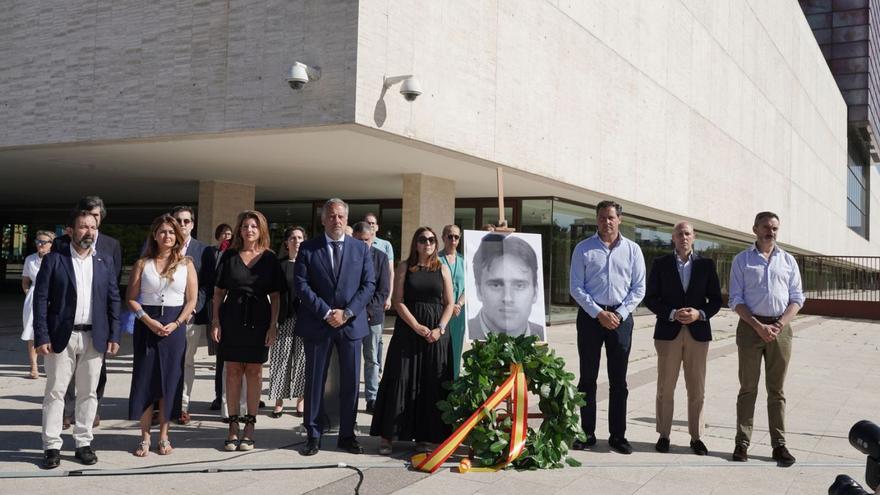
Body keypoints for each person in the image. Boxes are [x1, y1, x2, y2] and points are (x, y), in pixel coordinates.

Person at [33, 209, 121, 469]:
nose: (89, 232)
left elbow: (113, 299)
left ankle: (83, 442)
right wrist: (42, 335)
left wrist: (115, 334)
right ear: (70, 230)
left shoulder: (104, 261)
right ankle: (51, 446)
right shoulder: (55, 260)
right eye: (83, 227)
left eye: (93, 227)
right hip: (61, 336)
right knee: (55, 392)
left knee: (88, 393)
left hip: (95, 337)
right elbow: (40, 300)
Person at [294, 198, 375, 456]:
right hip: (318, 324)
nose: (336, 220)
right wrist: (327, 312)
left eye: (340, 216)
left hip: (351, 326)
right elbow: (301, 285)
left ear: (347, 219)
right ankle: (313, 434)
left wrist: (347, 312)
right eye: (331, 216)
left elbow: (369, 285)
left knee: (351, 383)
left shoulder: (360, 249)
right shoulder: (308, 248)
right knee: (315, 381)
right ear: (322, 219)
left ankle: (347, 435)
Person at [569, 200, 645, 455]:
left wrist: (619, 314)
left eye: (611, 217)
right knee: (587, 379)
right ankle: (586, 433)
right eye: (602, 217)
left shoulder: (633, 250)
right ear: (597, 219)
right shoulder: (583, 248)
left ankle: (617, 436)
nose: (606, 221)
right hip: (591, 318)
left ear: (619, 219)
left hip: (621, 319)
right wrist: (599, 313)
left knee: (619, 381)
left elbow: (639, 288)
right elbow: (576, 287)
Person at [370, 226, 454, 455]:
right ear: (415, 244)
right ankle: (389, 435)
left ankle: (426, 435)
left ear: (436, 244)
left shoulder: (443, 269)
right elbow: (398, 301)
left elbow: (449, 303)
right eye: (422, 239)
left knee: (430, 383)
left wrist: (440, 328)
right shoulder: (405, 267)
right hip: (409, 331)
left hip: (435, 335)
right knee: (401, 378)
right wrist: (416, 326)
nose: (427, 243)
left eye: (431, 239)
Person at [729, 211, 804, 467]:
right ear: (755, 229)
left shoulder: (788, 261)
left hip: (780, 329)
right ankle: (742, 443)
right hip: (750, 328)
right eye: (765, 227)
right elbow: (735, 300)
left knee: (777, 391)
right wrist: (758, 325)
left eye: (774, 228)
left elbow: (797, 298)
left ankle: (779, 445)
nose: (770, 232)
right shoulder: (741, 260)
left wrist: (779, 324)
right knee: (747, 388)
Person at [643, 222, 722, 456]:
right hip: (668, 332)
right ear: (673, 238)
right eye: (679, 234)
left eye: (687, 233)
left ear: (694, 237)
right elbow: (651, 297)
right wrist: (671, 313)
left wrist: (700, 314)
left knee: (696, 389)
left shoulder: (706, 265)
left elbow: (716, 300)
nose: (683, 237)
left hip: (698, 333)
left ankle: (696, 437)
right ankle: (664, 435)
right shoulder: (660, 264)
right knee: (665, 387)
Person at [126, 215, 198, 456]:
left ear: (177, 236)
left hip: (174, 328)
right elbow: (132, 299)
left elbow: (192, 300)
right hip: (147, 325)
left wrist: (177, 323)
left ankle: (164, 436)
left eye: (171, 232)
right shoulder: (142, 263)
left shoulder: (186, 264)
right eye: (162, 232)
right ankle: (145, 437)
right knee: (146, 380)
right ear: (155, 235)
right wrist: (147, 319)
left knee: (169, 381)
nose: (167, 236)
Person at [211, 210, 282, 451]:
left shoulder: (270, 258)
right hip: (232, 318)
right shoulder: (229, 256)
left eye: (253, 226)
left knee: (254, 372)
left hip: (259, 318)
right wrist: (216, 321)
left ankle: (250, 426)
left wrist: (273, 325)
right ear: (239, 230)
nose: (249, 230)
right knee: (232, 371)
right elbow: (218, 292)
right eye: (244, 226)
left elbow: (275, 295)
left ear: (260, 229)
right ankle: (232, 426)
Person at [53, 196, 122, 429]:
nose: (91, 223)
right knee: (63, 379)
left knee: (94, 377)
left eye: (95, 218)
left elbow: (113, 289)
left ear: (100, 220)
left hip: (96, 326)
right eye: (87, 218)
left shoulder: (111, 246)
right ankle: (66, 411)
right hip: (68, 325)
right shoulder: (62, 244)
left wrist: (114, 331)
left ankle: (92, 413)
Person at [170, 205, 212, 426]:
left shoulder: (203, 250)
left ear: (193, 224)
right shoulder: (161, 245)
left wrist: (193, 308)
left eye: (186, 221)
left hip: (190, 317)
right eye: (178, 220)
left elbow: (207, 285)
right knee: (166, 363)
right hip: (164, 316)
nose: (182, 224)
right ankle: (164, 405)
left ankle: (183, 406)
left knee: (186, 362)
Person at [467, 233, 545, 340]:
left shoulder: (540, 335)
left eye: (519, 285)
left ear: (535, 292)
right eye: (496, 285)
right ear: (479, 290)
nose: (507, 298)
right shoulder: (464, 334)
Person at [351, 221, 391, 414]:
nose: (362, 245)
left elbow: (383, 290)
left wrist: (367, 311)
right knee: (350, 358)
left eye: (366, 241)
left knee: (372, 359)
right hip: (350, 316)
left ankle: (372, 397)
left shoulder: (381, 258)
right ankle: (347, 397)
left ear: (372, 239)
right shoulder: (347, 257)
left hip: (372, 316)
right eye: (358, 241)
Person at [268, 226, 308, 418]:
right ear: (286, 242)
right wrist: (272, 322)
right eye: (293, 238)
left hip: (305, 319)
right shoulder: (279, 265)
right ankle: (279, 402)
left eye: (300, 238)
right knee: (280, 361)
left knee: (302, 360)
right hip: (283, 319)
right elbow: (273, 294)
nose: (297, 241)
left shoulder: (310, 264)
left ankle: (301, 402)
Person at [21, 230, 55, 379]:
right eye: (38, 241)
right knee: (31, 332)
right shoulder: (30, 259)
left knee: (51, 331)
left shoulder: (57, 258)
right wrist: (30, 294)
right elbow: (25, 282)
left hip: (52, 295)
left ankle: (50, 366)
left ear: (51, 244)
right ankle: (34, 366)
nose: (40, 244)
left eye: (43, 242)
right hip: (34, 296)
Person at [207, 223, 233, 411]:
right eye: (224, 234)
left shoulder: (235, 254)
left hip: (234, 308)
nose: (227, 237)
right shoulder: (210, 252)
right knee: (220, 355)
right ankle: (219, 395)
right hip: (216, 303)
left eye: (230, 234)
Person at [438, 225, 466, 378]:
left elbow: (467, 287)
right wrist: (447, 304)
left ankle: (453, 383)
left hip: (458, 312)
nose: (453, 240)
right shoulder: (436, 259)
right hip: (441, 310)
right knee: (439, 348)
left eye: (456, 237)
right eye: (450, 236)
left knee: (455, 349)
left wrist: (458, 304)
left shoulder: (464, 261)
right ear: (443, 237)